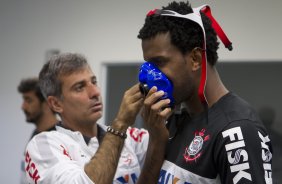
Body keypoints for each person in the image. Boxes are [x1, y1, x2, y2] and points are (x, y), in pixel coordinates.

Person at [136, 1, 273, 184]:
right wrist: (156, 141)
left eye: (159, 62)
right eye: (148, 64)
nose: (149, 75)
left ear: (195, 59)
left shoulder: (237, 130)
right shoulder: (173, 122)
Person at [24, 53, 151, 184]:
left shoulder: (131, 138)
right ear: (56, 104)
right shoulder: (43, 147)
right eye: (79, 87)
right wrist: (120, 123)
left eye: (94, 82)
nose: (95, 92)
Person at [18, 77, 58, 184]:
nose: (23, 106)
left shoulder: (59, 139)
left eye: (28, 100)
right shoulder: (37, 133)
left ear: (46, 103)